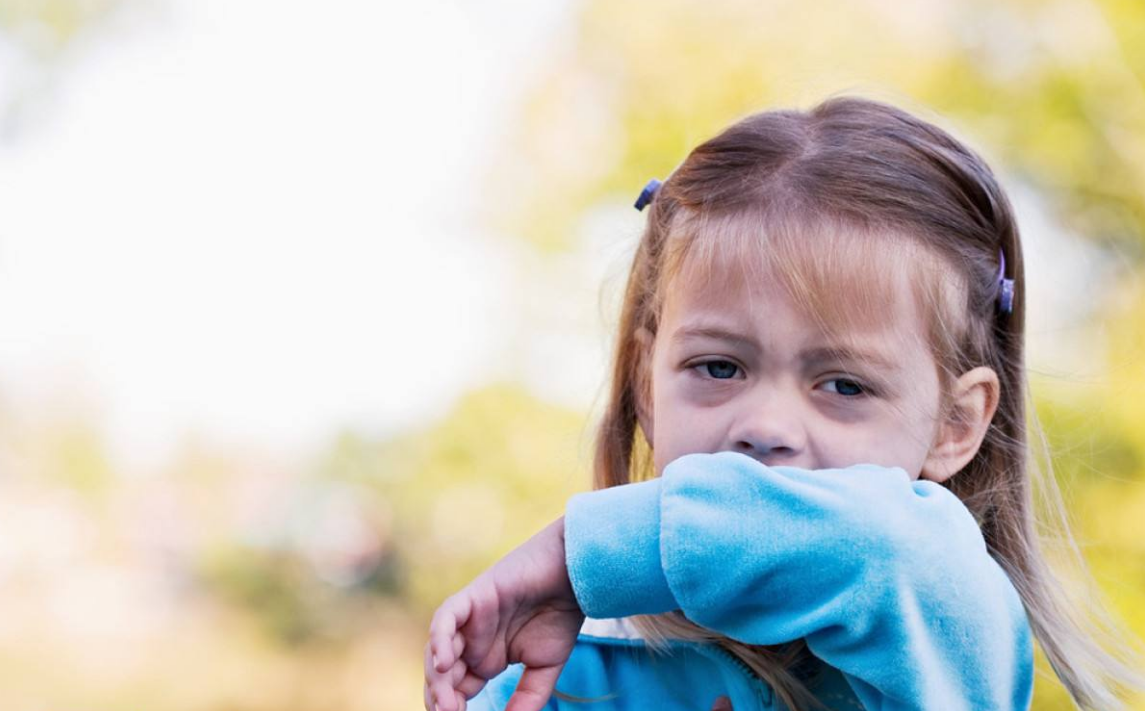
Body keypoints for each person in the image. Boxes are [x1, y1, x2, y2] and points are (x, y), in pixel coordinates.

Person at [422, 95, 1145, 711]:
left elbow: (885, 546)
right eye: (717, 366)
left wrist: (579, 550)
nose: (764, 426)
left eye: (843, 385)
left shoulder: (940, 630)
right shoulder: (555, 680)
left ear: (953, 425)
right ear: (647, 381)